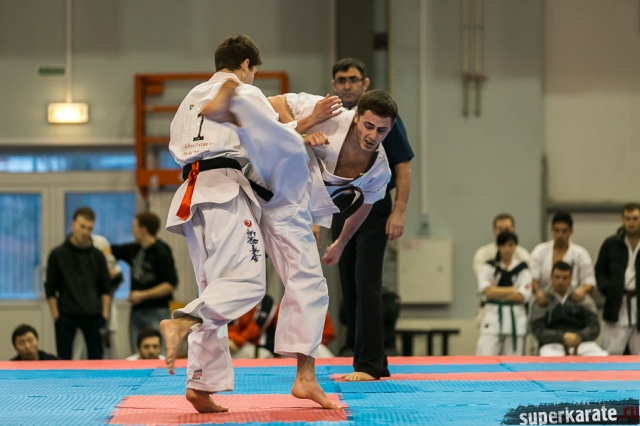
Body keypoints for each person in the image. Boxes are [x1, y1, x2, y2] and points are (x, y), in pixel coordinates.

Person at [159, 34, 339, 413]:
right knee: (248, 283)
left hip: (190, 195)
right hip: (224, 190)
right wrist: (309, 125)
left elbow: (179, 146)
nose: (253, 77)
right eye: (254, 70)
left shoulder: (190, 98)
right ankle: (184, 320)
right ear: (245, 65)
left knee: (214, 287)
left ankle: (200, 384)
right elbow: (273, 139)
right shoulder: (243, 91)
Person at [268, 87, 396, 381]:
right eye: (368, 125)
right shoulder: (331, 115)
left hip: (292, 208)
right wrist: (304, 130)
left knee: (309, 284)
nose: (373, 135)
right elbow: (274, 102)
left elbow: (363, 207)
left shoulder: (379, 169)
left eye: (382, 130)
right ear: (357, 116)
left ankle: (304, 371)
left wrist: (340, 243)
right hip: (262, 178)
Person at [319, 58, 413, 379]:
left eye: (353, 79)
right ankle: (361, 358)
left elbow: (402, 166)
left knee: (366, 282)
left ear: (365, 83)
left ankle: (371, 363)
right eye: (342, 80)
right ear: (334, 84)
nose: (347, 85)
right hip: (340, 207)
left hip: (374, 206)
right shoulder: (333, 118)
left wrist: (399, 210)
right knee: (349, 286)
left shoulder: (380, 118)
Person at [45, 207, 111, 360]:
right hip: (66, 314)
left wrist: (104, 314)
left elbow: (105, 287)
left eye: (89, 228)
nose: (85, 232)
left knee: (96, 358)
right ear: (73, 225)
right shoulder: (58, 254)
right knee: (64, 359)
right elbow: (50, 288)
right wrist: (56, 316)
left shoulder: (98, 256)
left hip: (94, 314)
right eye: (82, 227)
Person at [110, 212, 178, 353]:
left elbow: (170, 284)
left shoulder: (161, 251)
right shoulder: (134, 249)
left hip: (157, 310)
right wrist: (111, 267)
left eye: (134, 227)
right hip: (137, 311)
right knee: (137, 353)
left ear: (143, 229)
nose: (132, 231)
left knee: (156, 352)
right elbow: (110, 250)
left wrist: (142, 295)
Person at [531, 261, 607, 356]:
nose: (560, 281)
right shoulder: (543, 299)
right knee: (550, 358)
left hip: (581, 342)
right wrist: (562, 337)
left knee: (601, 357)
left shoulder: (583, 298)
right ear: (551, 277)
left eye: (565, 278)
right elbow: (538, 330)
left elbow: (594, 327)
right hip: (552, 344)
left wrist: (578, 336)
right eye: (557, 277)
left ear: (571, 279)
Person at [476, 232, 532, 356]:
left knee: (514, 362)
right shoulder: (488, 267)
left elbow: (522, 296)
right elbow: (487, 292)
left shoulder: (523, 269)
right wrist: (513, 289)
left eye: (511, 245)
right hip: (493, 318)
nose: (507, 249)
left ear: (515, 246)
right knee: (485, 359)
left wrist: (496, 290)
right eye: (503, 245)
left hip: (515, 320)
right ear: (498, 247)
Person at [596, 203, 640, 355]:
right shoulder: (611, 244)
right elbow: (600, 270)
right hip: (616, 304)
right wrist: (608, 289)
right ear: (622, 219)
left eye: (635, 218)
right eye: (628, 218)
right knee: (610, 354)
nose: (631, 222)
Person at [530, 212, 595, 307]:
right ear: (552, 229)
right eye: (557, 230)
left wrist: (582, 290)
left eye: (564, 231)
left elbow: (589, 282)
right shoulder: (540, 251)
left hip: (572, 302)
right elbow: (533, 278)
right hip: (545, 301)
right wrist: (538, 292)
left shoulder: (581, 254)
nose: (560, 235)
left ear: (571, 231)